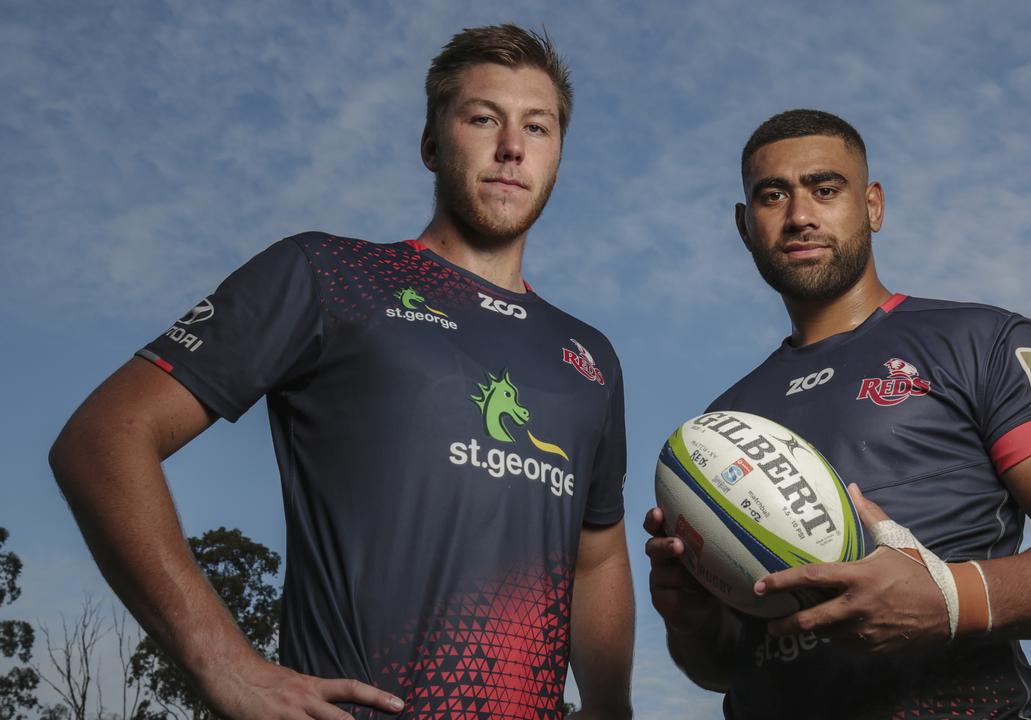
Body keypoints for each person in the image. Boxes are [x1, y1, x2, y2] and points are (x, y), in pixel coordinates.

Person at [49, 25, 633, 720]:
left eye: (537, 127)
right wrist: (223, 663)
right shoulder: (330, 275)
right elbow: (104, 436)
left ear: (557, 155)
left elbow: (596, 560)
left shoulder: (588, 355)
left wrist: (609, 708)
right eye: (483, 118)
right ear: (431, 143)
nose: (512, 147)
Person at [645, 109, 1031, 719]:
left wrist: (950, 598)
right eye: (773, 195)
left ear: (874, 206)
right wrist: (693, 620)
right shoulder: (725, 423)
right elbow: (723, 667)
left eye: (825, 189)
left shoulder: (981, 340)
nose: (800, 215)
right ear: (744, 225)